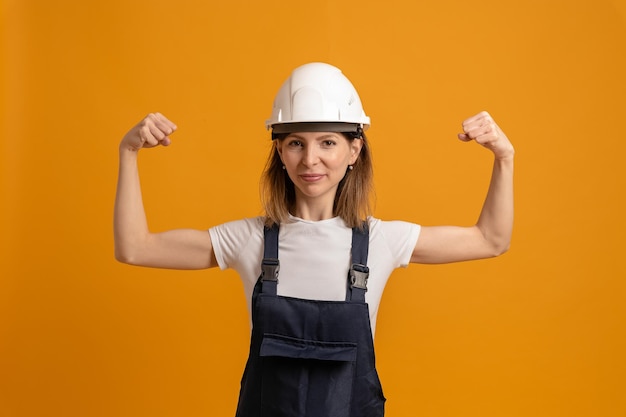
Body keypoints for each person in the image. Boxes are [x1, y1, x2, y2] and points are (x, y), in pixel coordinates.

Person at [114, 62, 514, 417]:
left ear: (354, 149)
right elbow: (135, 248)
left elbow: (490, 239)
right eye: (296, 143)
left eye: (328, 142)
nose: (310, 160)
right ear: (280, 151)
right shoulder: (248, 239)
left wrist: (504, 158)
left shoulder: (381, 241)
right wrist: (128, 153)